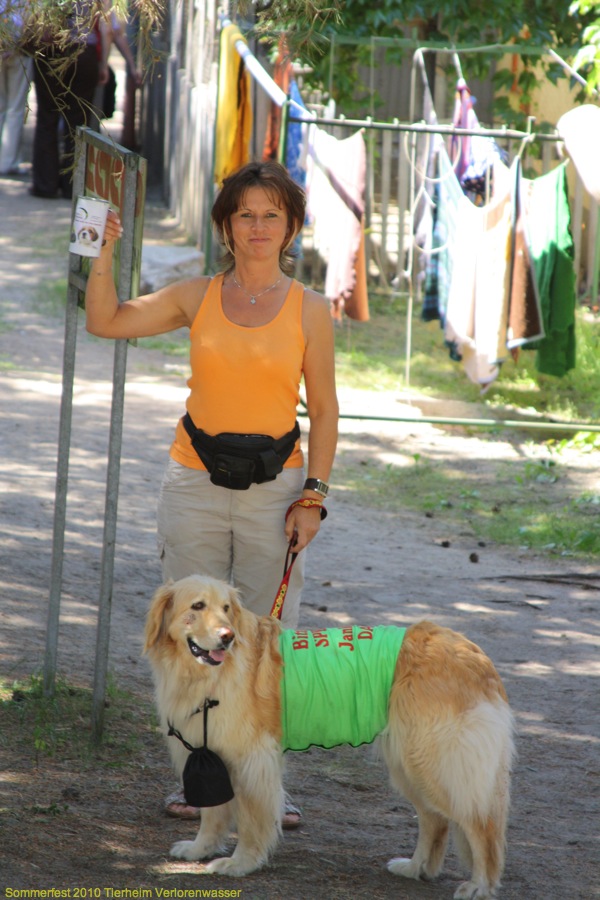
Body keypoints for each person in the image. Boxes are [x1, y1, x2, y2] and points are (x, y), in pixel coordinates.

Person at [85, 160, 339, 826]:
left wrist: (312, 495)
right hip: (194, 482)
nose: (259, 226)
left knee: (265, 645)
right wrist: (104, 252)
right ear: (226, 225)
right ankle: (203, 785)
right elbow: (106, 321)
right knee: (197, 637)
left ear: (289, 228)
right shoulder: (195, 296)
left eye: (272, 215)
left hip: (275, 492)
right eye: (246, 214)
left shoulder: (311, 310)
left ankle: (265, 786)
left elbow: (327, 410)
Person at [30, 1, 108, 198]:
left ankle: (45, 184)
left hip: (50, 50)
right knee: (78, 122)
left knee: (47, 117)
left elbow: (32, 18)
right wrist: (104, 63)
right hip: (83, 52)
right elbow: (106, 25)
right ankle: (74, 186)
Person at [0, 0, 33, 176]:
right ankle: (7, 162)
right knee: (15, 108)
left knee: (6, 106)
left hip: (12, 47)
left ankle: (7, 159)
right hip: (19, 50)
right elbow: (29, 20)